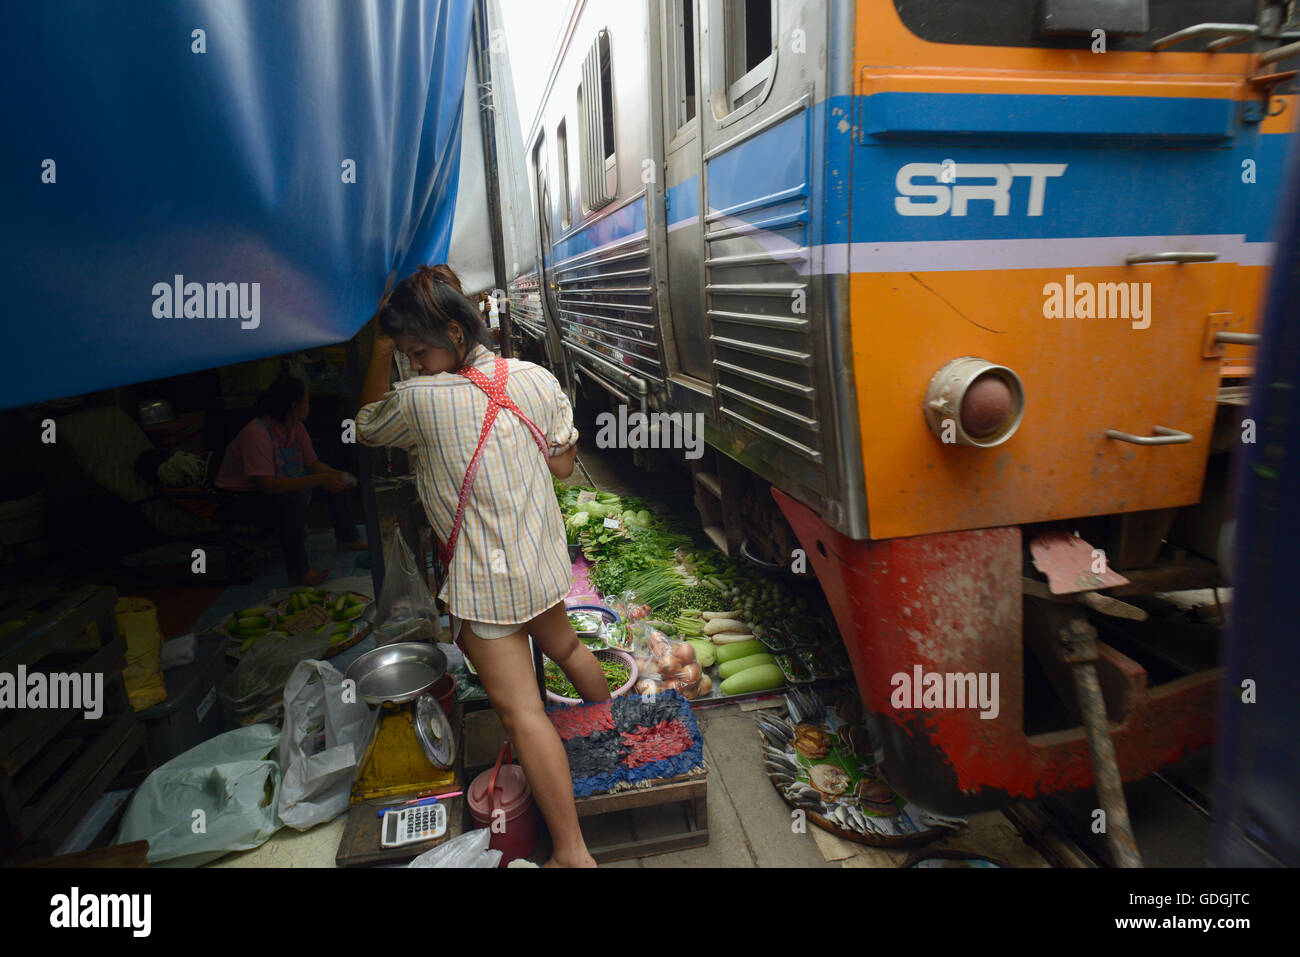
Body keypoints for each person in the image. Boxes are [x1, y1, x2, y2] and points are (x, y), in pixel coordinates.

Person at [355, 264, 606, 868]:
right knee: (568, 651)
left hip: (485, 586)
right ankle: (605, 744)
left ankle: (573, 853)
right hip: (540, 564)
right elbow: (565, 465)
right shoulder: (534, 378)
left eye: (417, 350)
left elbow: (364, 427)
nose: (413, 364)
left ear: (455, 333)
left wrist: (379, 346)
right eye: (405, 354)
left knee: (523, 714)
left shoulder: (416, 401)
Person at [215, 374, 366, 584]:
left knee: (334, 483)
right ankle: (299, 572)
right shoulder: (256, 433)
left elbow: (312, 464)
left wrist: (336, 475)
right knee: (292, 501)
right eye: (306, 401)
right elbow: (267, 485)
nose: (308, 405)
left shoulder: (296, 427)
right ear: (294, 406)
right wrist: (320, 479)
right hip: (239, 500)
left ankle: (348, 538)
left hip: (275, 486)